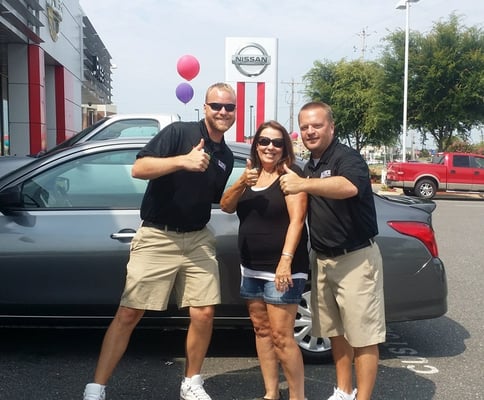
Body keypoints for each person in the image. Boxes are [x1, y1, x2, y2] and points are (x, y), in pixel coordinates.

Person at [82, 82, 237, 400]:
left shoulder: (226, 156)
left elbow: (214, 199)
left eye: (229, 107)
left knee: (204, 313)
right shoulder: (179, 133)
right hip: (158, 235)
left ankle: (191, 383)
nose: (223, 112)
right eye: (216, 106)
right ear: (204, 108)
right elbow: (140, 168)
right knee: (129, 313)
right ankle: (96, 387)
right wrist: (182, 161)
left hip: (197, 239)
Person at [279, 101, 386, 400]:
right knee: (335, 332)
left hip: (355, 260)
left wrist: (303, 184)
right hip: (323, 260)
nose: (310, 131)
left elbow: (348, 186)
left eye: (317, 125)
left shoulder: (346, 157)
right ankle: (344, 391)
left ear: (331, 127)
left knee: (363, 336)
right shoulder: (310, 164)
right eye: (304, 127)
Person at [220, 120, 309, 400]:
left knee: (283, 338)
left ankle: (298, 396)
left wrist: (285, 261)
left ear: (285, 148)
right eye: (264, 141)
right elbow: (226, 205)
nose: (270, 147)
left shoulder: (290, 174)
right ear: (256, 145)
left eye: (277, 142)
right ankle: (271, 393)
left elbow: (297, 221)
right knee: (261, 330)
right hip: (251, 267)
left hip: (283, 269)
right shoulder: (250, 175)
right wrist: (240, 182)